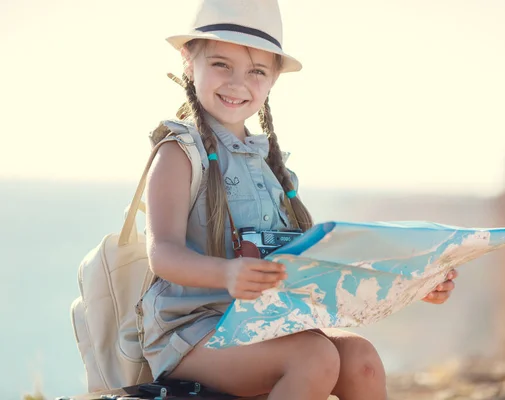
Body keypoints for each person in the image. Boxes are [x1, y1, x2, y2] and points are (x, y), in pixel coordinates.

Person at [141, 1, 458, 399]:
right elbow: (163, 254)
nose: (238, 83)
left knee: (361, 358)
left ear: (273, 79)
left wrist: (413, 282)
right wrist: (226, 274)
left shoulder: (273, 167)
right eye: (222, 64)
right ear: (190, 61)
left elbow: (311, 269)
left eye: (256, 71)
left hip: (267, 323)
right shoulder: (179, 153)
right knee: (314, 357)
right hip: (193, 333)